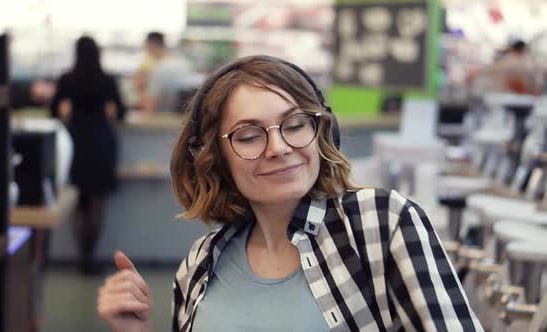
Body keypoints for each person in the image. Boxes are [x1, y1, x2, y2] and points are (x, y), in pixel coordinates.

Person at [97, 55, 483, 331]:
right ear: (216, 158)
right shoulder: (198, 265)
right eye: (249, 135)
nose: (278, 147)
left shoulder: (382, 224)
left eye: (295, 124)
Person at [50, 36, 126, 274]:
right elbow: (121, 111)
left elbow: (53, 109)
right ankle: (90, 256)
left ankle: (82, 255)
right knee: (96, 202)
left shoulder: (67, 79)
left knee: (78, 201)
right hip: (101, 142)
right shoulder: (106, 79)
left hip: (75, 142)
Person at [142, 32, 201, 113]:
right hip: (184, 117)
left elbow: (151, 103)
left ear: (151, 44)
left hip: (162, 118)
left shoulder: (159, 68)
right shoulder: (184, 63)